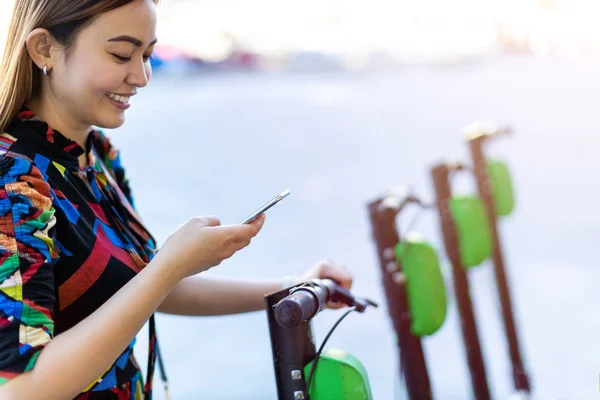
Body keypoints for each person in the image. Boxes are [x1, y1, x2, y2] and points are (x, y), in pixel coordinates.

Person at [0, 1, 353, 399]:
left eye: (147, 55)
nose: (142, 76)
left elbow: (139, 285)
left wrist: (294, 286)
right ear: (44, 48)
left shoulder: (95, 153)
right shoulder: (13, 179)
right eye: (121, 54)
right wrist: (169, 265)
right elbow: (20, 389)